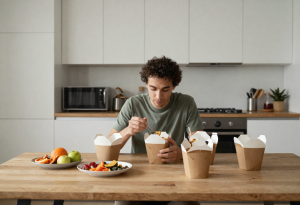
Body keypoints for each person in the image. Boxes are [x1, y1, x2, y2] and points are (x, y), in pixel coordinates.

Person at [108, 56, 204, 205]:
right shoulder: (133, 104)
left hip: (176, 177)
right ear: (146, 84)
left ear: (174, 86)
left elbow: (200, 145)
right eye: (153, 89)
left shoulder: (186, 103)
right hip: (138, 177)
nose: (158, 97)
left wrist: (182, 153)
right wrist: (127, 130)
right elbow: (108, 145)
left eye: (165, 89)